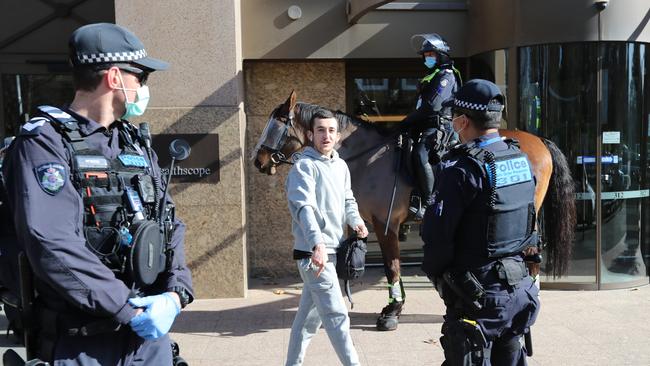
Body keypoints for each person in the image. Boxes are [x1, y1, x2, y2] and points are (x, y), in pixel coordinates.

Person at [1, 23, 193, 365]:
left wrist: (177, 293)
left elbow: (169, 223)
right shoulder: (45, 143)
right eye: (142, 76)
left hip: (149, 341)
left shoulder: (134, 141)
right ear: (115, 77)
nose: (145, 86)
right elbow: (52, 243)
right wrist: (126, 308)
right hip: (85, 344)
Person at [421, 79, 540, 365]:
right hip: (519, 291)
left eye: (453, 119)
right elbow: (531, 225)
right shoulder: (520, 159)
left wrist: (440, 278)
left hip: (477, 297)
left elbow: (436, 237)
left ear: (462, 121)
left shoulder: (460, 168)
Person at [285, 108, 369, 366]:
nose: (326, 135)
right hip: (314, 255)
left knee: (307, 321)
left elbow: (347, 200)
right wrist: (317, 244)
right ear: (310, 134)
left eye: (331, 130)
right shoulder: (304, 167)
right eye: (320, 130)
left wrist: (356, 221)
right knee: (336, 314)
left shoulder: (341, 165)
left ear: (338, 136)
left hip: (333, 250)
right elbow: (304, 209)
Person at [402, 33, 462, 220]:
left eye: (431, 54)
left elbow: (433, 106)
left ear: (441, 55)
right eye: (425, 55)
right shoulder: (432, 75)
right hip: (425, 124)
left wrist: (409, 119)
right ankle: (415, 195)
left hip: (440, 127)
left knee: (420, 154)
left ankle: (429, 200)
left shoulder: (447, 76)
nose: (427, 58)